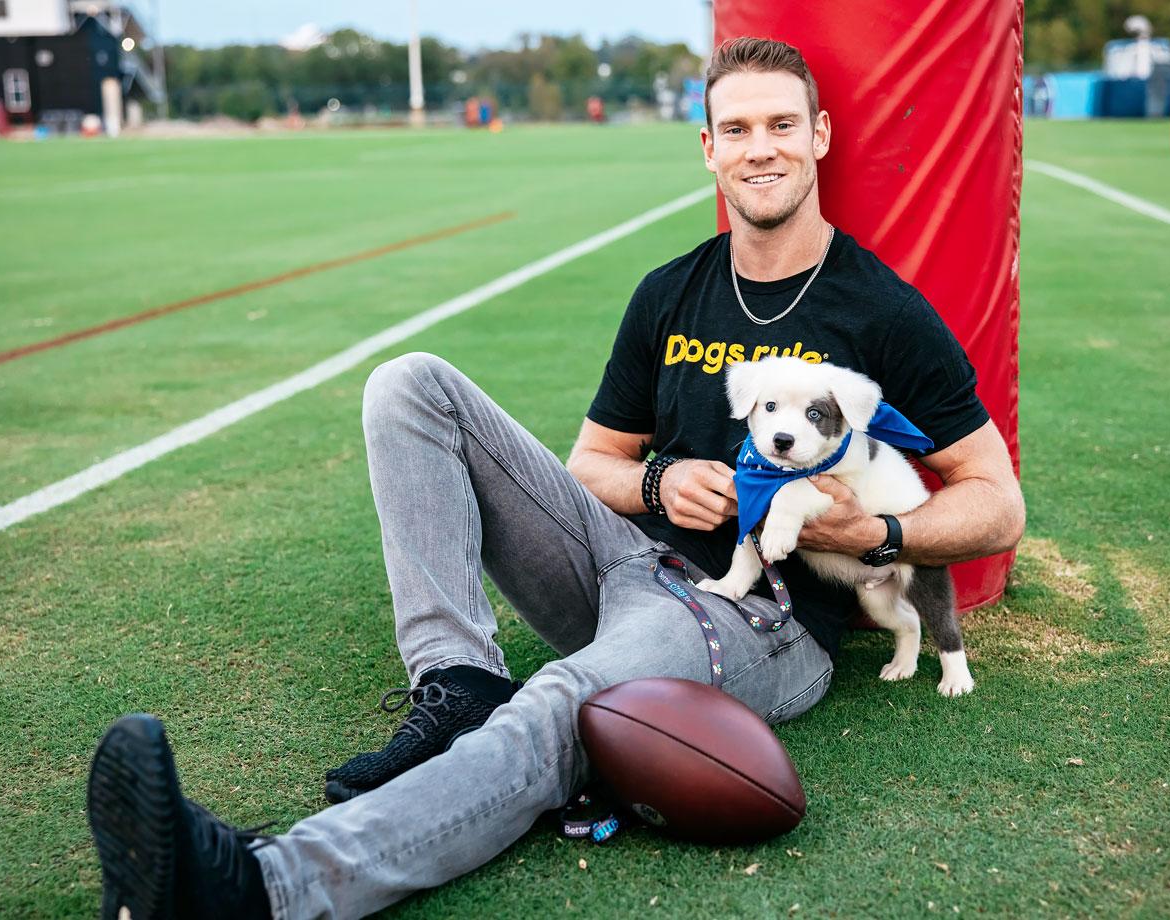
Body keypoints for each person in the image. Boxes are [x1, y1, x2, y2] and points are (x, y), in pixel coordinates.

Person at [85, 37, 1025, 920]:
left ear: (818, 137)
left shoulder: (882, 310)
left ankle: (266, 890)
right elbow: (593, 467)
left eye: (782, 125)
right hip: (628, 556)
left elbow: (996, 501)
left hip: (754, 616)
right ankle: (456, 680)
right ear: (708, 148)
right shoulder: (671, 291)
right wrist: (660, 486)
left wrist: (874, 536)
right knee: (410, 385)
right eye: (737, 130)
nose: (761, 149)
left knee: (560, 703)